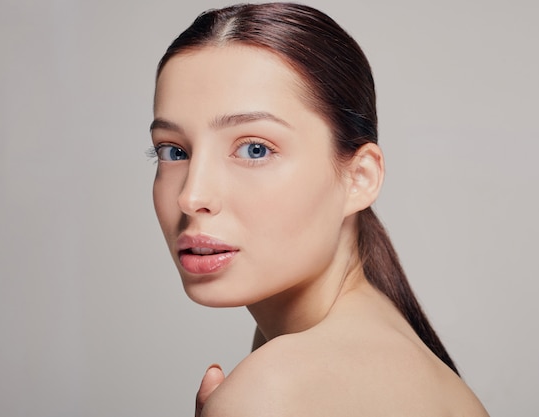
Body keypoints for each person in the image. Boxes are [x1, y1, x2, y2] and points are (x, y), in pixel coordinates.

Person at [149, 3, 489, 416]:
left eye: (255, 149)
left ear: (359, 177)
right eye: (173, 150)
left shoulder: (277, 387)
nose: (191, 195)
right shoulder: (380, 345)